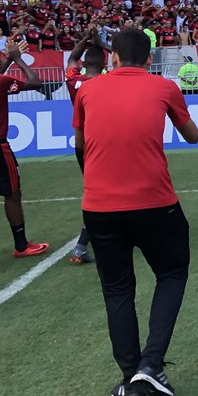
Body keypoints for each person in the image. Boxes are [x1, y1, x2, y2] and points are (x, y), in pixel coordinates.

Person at [73, 29, 198, 396]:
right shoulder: (163, 87)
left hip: (99, 206)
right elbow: (192, 135)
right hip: (153, 202)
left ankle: (131, 378)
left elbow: (80, 145)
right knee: (172, 274)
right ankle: (151, 364)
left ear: (112, 57)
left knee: (117, 290)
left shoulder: (87, 90)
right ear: (150, 59)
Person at [0, 40, 49, 273]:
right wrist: (17, 58)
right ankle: (21, 245)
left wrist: (7, 61)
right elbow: (36, 82)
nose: (0, 59)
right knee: (12, 193)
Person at [65, 28, 107, 265]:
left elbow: (72, 58)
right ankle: (81, 246)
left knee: (95, 189)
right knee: (102, 193)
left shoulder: (73, 79)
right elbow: (133, 60)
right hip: (104, 143)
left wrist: (85, 40)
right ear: (104, 63)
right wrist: (102, 43)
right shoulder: (108, 82)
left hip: (82, 142)